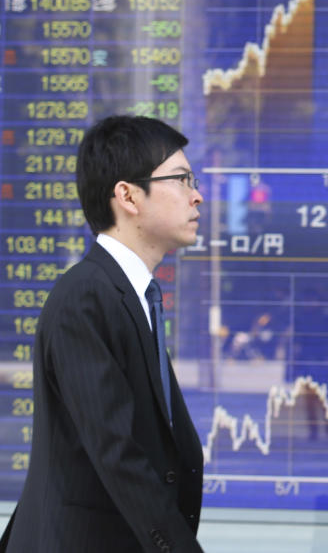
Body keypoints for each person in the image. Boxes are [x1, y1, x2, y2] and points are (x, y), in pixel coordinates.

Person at [1, 115, 206, 552]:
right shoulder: (85, 298)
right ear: (128, 196)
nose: (197, 196)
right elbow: (116, 451)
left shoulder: (131, 296)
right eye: (182, 179)